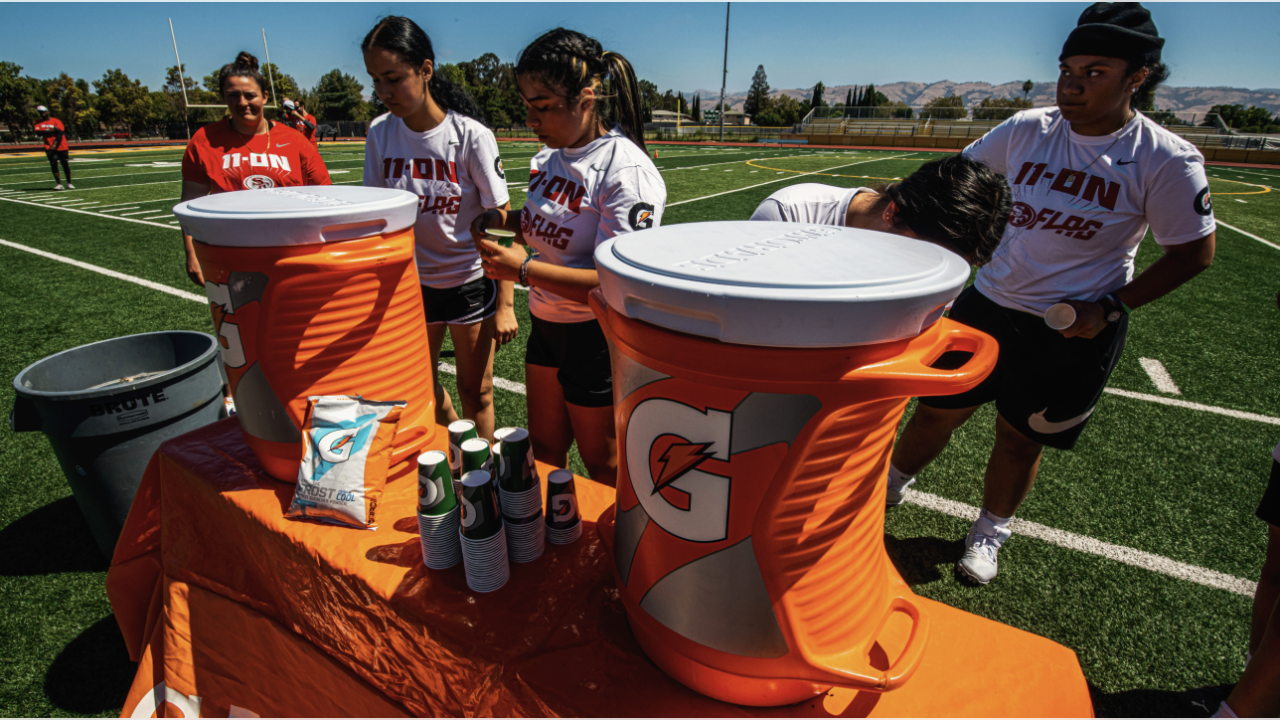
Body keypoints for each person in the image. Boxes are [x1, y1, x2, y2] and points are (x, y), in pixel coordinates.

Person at [886, 1, 1216, 585]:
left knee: (1019, 439)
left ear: (1137, 76)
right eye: (1068, 69)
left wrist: (1111, 307)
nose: (1073, 84)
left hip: (1073, 327)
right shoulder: (1025, 129)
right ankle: (891, 486)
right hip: (987, 305)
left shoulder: (1166, 160)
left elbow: (1194, 254)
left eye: (1095, 72)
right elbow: (957, 182)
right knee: (936, 412)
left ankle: (990, 530)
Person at [471, 28, 665, 487]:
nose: (531, 119)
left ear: (586, 98)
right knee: (544, 453)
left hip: (594, 338)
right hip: (546, 326)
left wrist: (519, 269)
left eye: (543, 106)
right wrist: (500, 221)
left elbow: (613, 284)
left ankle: (609, 554)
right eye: (527, 106)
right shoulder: (552, 157)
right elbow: (547, 221)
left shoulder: (626, 171)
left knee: (603, 467)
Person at [362, 16, 513, 442]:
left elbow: (500, 218)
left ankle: (480, 480)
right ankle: (457, 438)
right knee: (417, 388)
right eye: (376, 80)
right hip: (409, 286)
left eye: (393, 78)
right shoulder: (379, 133)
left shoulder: (470, 136)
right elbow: (377, 214)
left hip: (468, 282)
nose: (384, 92)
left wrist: (505, 303)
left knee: (476, 391)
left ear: (425, 70)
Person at [178, 53, 330, 288]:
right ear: (223, 97)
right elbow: (190, 206)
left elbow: (325, 196)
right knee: (238, 322)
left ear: (265, 96)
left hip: (292, 251)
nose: (242, 103)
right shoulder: (204, 140)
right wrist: (191, 252)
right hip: (230, 252)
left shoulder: (294, 141)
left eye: (250, 95)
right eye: (233, 96)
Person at [749, 154, 1011, 266]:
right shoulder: (788, 215)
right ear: (893, 212)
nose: (928, 271)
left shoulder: (943, 263)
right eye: (925, 256)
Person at [33, 105, 73, 190]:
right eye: (40, 112)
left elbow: (60, 132)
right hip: (49, 147)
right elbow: (39, 133)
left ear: (47, 111)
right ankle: (59, 184)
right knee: (54, 164)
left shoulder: (56, 121)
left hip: (62, 146)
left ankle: (69, 183)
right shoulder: (38, 122)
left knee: (65, 164)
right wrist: (50, 130)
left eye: (43, 112)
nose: (42, 114)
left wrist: (55, 143)